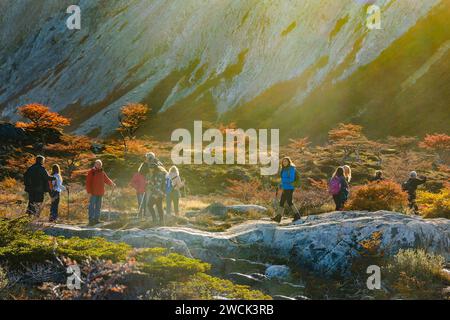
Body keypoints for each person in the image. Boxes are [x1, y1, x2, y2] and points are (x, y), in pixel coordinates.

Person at [272, 157, 301, 223]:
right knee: (281, 202)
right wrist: (280, 185)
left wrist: (283, 182)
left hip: (290, 188)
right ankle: (278, 217)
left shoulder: (291, 169)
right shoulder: (283, 169)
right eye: (283, 161)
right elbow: (283, 179)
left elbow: (291, 179)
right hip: (285, 188)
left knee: (289, 202)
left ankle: (297, 215)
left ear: (289, 162)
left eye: (285, 161)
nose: (284, 162)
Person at [86, 160, 116, 225]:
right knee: (92, 206)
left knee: (98, 207)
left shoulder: (102, 172)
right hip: (93, 192)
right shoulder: (91, 172)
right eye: (97, 164)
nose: (99, 165)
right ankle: (91, 220)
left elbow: (106, 179)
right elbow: (88, 182)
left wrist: (112, 184)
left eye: (100, 164)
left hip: (100, 192)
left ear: (101, 165)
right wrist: (89, 192)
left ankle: (96, 219)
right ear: (95, 164)